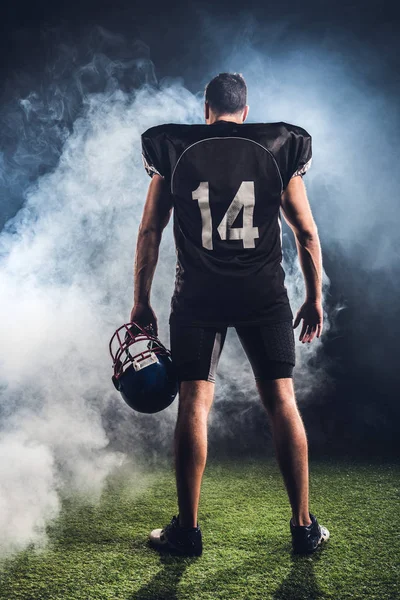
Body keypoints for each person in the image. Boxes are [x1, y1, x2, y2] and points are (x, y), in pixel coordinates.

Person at [130, 72, 330, 556]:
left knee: (194, 405)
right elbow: (305, 232)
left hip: (198, 295)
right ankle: (303, 527)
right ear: (246, 108)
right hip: (262, 294)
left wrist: (141, 299)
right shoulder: (277, 146)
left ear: (206, 108)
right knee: (282, 401)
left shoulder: (173, 147)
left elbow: (151, 232)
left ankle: (188, 531)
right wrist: (313, 295)